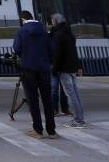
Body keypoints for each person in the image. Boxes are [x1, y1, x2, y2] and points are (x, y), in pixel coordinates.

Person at [12, 10, 56, 139]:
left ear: (22, 20)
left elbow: (17, 48)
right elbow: (52, 49)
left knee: (33, 100)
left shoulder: (22, 31)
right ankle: (51, 130)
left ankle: (38, 130)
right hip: (44, 68)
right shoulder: (43, 31)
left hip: (28, 68)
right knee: (47, 99)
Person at [50, 13, 86, 128]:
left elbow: (58, 54)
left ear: (56, 21)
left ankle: (78, 120)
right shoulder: (69, 34)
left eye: (52, 20)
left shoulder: (58, 35)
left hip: (64, 69)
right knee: (75, 93)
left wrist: (54, 69)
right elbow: (74, 51)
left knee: (71, 94)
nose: (52, 23)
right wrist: (79, 66)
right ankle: (80, 117)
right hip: (72, 67)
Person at [48, 19, 71, 117]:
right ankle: (62, 109)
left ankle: (56, 109)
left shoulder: (55, 37)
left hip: (55, 65)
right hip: (58, 65)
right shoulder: (58, 36)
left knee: (55, 89)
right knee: (60, 89)